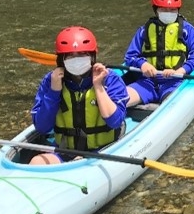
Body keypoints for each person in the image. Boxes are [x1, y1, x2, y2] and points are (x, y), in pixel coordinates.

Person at [29, 26, 129, 165]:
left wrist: (98, 86)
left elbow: (115, 122)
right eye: (70, 56)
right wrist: (54, 92)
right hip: (66, 151)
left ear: (92, 56)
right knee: (36, 162)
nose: (76, 60)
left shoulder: (109, 79)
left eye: (82, 54)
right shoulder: (51, 81)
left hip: (104, 151)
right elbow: (42, 127)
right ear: (62, 59)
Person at [124, 0, 194, 107]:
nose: (168, 13)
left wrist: (180, 71)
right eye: (164, 9)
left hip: (174, 82)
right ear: (155, 9)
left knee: (171, 105)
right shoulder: (144, 31)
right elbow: (130, 56)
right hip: (147, 82)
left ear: (178, 10)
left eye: (172, 10)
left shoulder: (187, 30)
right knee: (120, 100)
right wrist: (143, 64)